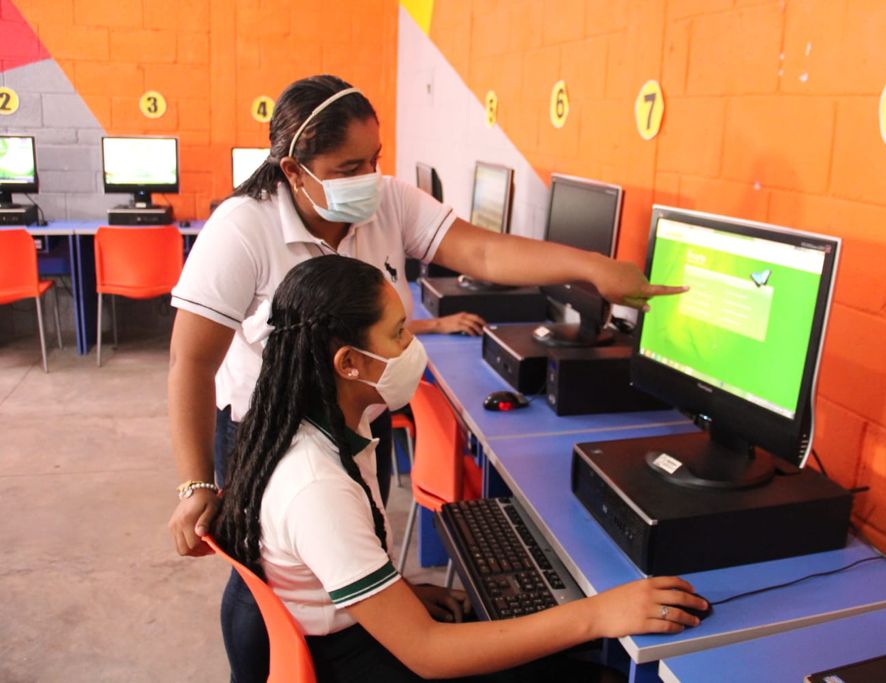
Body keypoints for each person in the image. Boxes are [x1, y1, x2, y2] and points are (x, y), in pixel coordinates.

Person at [167, 74, 685, 681]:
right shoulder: (243, 228)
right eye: (348, 167)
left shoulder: (386, 202)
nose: (370, 177)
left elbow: (483, 253)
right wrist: (195, 483)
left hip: (347, 415)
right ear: (292, 170)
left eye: (375, 158)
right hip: (271, 427)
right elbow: (191, 362)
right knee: (286, 559)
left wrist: (591, 268)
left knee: (339, 547)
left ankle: (368, 602)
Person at [214, 254, 706, 682]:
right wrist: (597, 614)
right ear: (348, 364)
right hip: (351, 662)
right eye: (398, 332)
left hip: (356, 628)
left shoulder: (312, 421)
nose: (412, 344)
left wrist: (395, 595)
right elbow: (427, 653)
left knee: (543, 644)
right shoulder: (315, 485)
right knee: (592, 670)